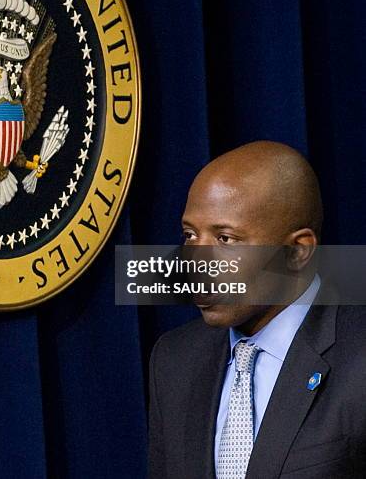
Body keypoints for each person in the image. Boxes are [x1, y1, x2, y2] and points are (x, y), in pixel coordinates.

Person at [148, 141, 366, 478]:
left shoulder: (359, 358)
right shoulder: (174, 360)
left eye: (225, 239)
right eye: (190, 235)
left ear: (297, 252)